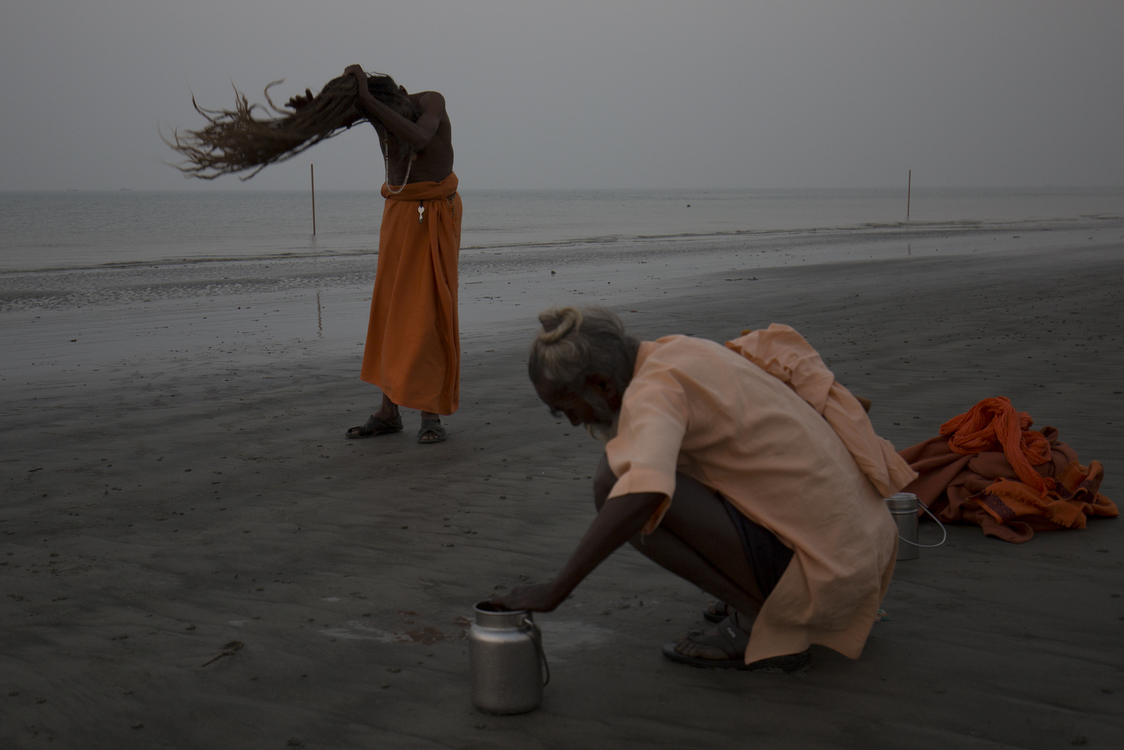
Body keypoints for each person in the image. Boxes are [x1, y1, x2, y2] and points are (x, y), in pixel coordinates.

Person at [495, 307, 918, 670]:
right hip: (865, 556)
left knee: (616, 485)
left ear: (602, 385)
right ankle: (758, 593)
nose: (573, 422)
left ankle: (761, 624)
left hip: (832, 575)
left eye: (566, 410)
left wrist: (557, 588)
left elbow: (640, 494)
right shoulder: (679, 349)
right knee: (642, 464)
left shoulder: (654, 391)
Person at [293, 65, 461, 443]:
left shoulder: (431, 102)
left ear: (404, 91)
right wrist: (313, 109)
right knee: (391, 311)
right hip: (400, 212)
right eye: (388, 113)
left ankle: (430, 416)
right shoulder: (378, 114)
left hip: (434, 213)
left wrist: (369, 101)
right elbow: (330, 121)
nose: (398, 118)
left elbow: (419, 138)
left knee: (428, 312)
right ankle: (389, 412)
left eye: (400, 109)